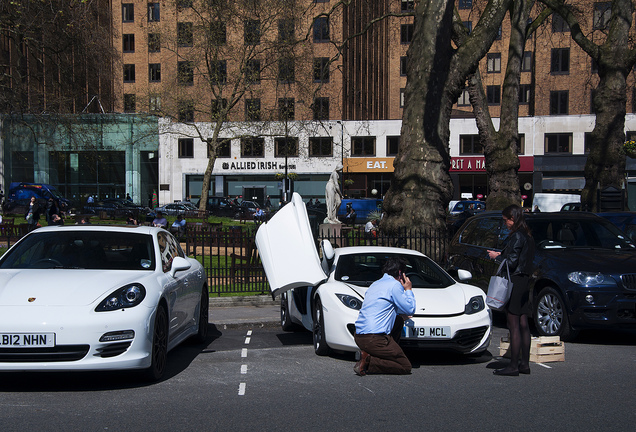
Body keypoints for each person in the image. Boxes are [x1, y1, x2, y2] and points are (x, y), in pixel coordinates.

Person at [487, 204, 535, 376]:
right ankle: (524, 363)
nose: (505, 223)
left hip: (515, 280)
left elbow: (512, 261)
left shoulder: (516, 237)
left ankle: (513, 365)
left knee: (512, 323)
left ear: (512, 219)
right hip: (525, 280)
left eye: (506, 220)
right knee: (524, 323)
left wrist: (497, 257)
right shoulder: (528, 236)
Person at [353, 257, 415, 375]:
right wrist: (408, 289)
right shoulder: (394, 285)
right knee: (405, 366)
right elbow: (410, 309)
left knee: (398, 320)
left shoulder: (375, 284)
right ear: (400, 273)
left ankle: (379, 353)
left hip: (359, 337)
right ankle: (368, 361)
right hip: (375, 339)